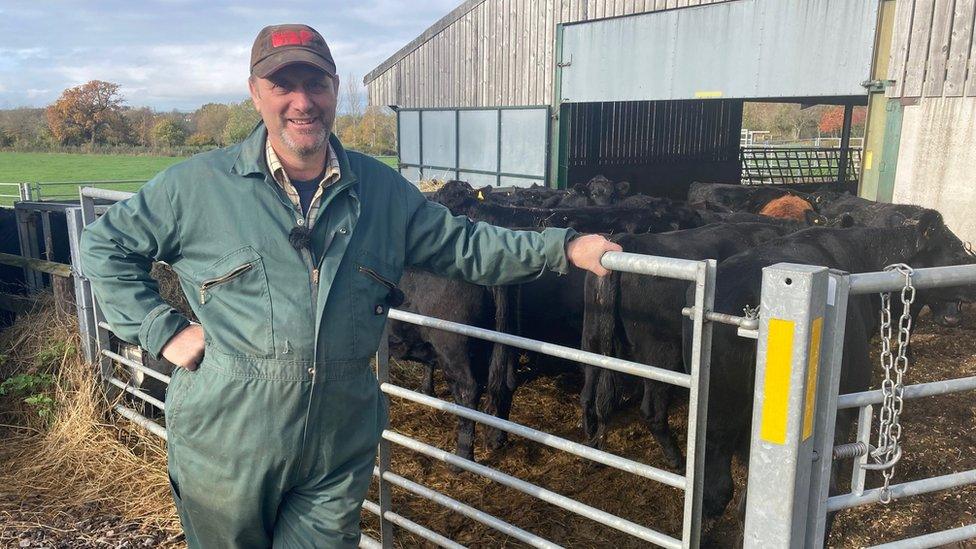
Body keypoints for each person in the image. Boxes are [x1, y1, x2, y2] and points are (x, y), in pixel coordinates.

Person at [81, 23, 621, 548]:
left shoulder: (381, 189)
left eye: (316, 83)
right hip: (227, 438)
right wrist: (163, 330)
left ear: (336, 89)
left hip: (337, 438)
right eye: (282, 85)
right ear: (255, 94)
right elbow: (103, 247)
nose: (302, 101)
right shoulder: (196, 187)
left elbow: (467, 245)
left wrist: (563, 247)